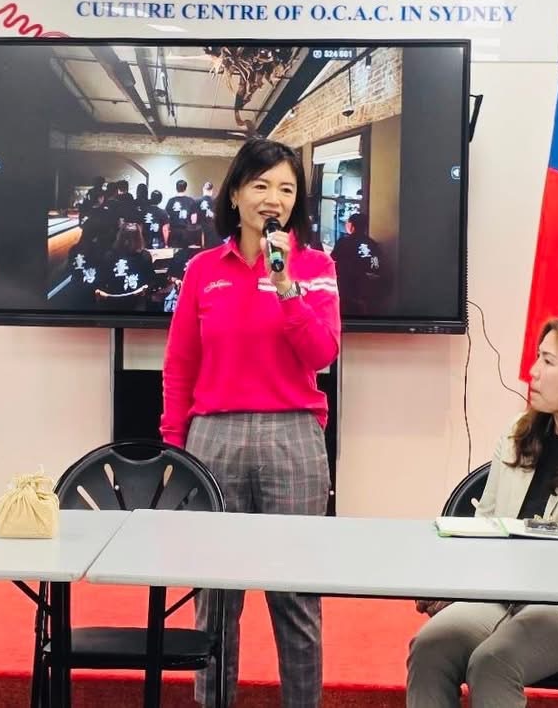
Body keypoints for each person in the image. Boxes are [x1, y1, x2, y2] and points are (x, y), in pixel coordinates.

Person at [161, 137, 340, 707]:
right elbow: (180, 364)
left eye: (286, 188)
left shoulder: (315, 267)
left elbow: (322, 353)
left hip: (293, 435)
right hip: (214, 436)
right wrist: (175, 450)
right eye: (261, 185)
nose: (273, 199)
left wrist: (287, 288)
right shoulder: (202, 270)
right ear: (235, 193)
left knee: (296, 596)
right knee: (215, 596)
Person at [406, 314, 558, 708]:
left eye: (548, 362)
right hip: (501, 594)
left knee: (494, 661)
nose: (532, 372)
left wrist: (478, 582)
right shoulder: (517, 432)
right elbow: (485, 524)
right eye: (538, 358)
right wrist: (457, 585)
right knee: (430, 646)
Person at [330, 213, 386, 314]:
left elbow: (333, 258)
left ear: (351, 225)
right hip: (368, 288)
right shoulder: (372, 243)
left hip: (347, 285)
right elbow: (376, 264)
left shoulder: (344, 242)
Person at [164, 179, 199, 247]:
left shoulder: (171, 201)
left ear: (176, 188)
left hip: (174, 231)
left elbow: (167, 217)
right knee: (185, 251)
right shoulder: (190, 201)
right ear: (185, 188)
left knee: (174, 251)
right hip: (186, 231)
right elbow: (194, 220)